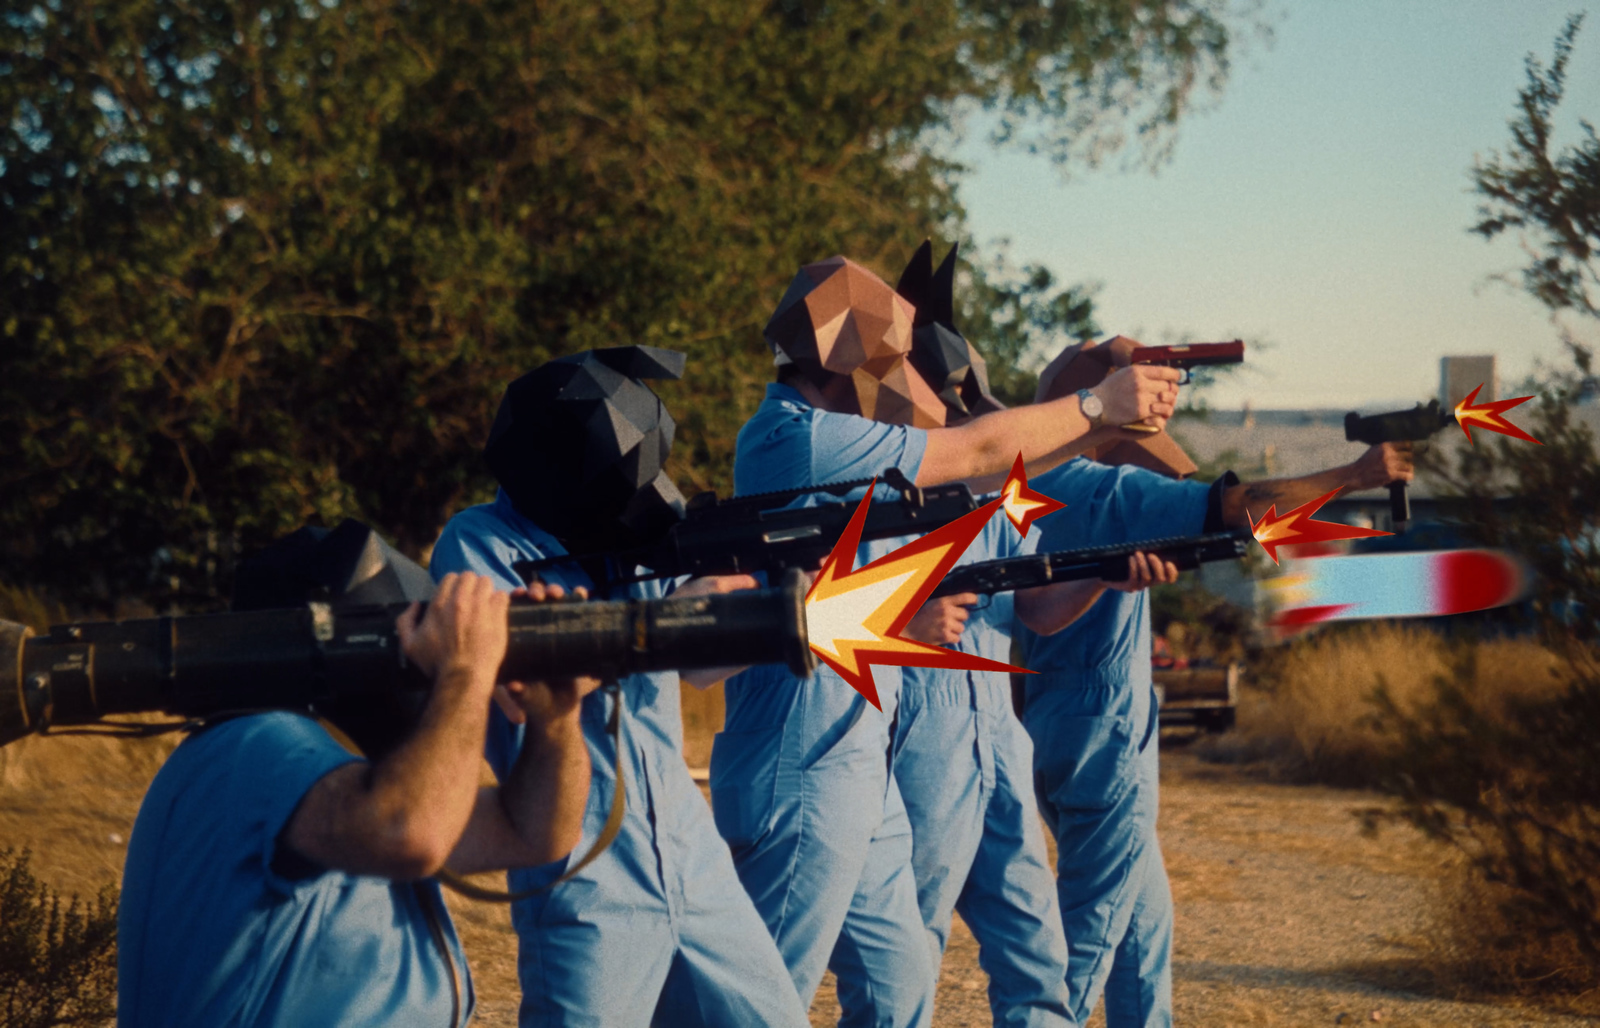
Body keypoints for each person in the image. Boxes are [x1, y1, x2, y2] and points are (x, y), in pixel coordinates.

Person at [712, 251, 1182, 1027]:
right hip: (802, 760)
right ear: (845, 357)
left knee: (901, 982)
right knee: (764, 1000)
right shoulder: (798, 440)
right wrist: (1098, 406)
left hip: (862, 766)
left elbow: (982, 476)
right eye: (888, 357)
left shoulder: (840, 441)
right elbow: (973, 452)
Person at [1015, 336, 1416, 1028]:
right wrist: (1354, 474)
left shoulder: (1020, 488)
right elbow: (1244, 505)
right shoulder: (1109, 490)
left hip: (1045, 719)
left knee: (1144, 923)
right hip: (1104, 723)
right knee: (1092, 933)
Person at [429, 346, 811, 1028]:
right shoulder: (481, 544)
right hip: (583, 869)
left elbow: (694, 671)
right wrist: (672, 615)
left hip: (693, 858)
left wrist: (750, 607)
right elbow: (519, 683)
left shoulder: (634, 541)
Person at [118, 529, 596, 1028]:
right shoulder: (255, 743)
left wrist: (555, 717)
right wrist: (465, 670)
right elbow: (411, 833)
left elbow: (533, 833)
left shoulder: (342, 779)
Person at [888, 243, 1179, 1028]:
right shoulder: (899, 481)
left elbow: (1028, 609)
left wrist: (1106, 576)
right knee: (909, 956)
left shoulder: (1005, 486)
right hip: (943, 743)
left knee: (1057, 955)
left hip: (1007, 749)